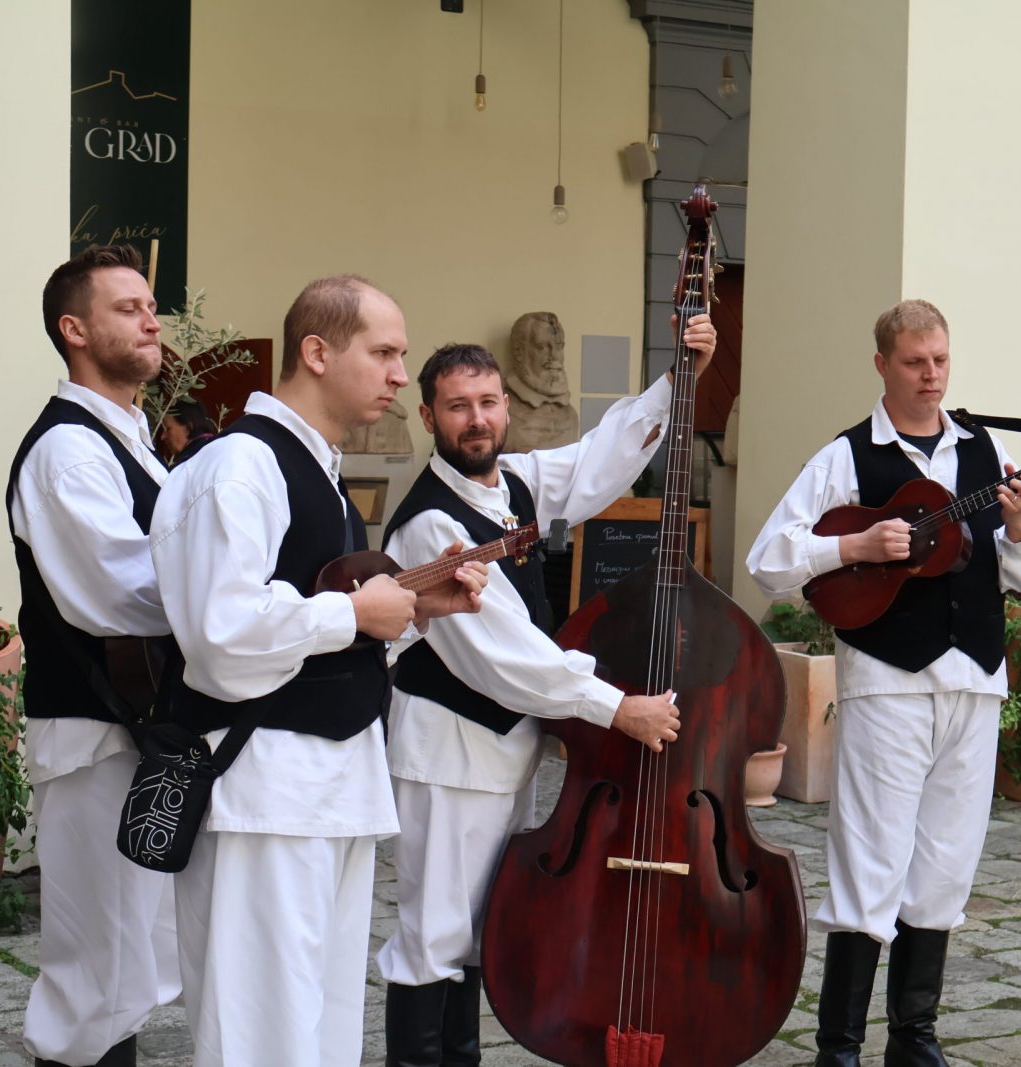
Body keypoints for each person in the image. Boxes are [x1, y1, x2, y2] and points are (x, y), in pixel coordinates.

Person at [148, 275, 489, 1067]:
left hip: (328, 789)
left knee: (324, 1035)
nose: (400, 375)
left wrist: (412, 610)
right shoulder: (241, 466)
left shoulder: (318, 471)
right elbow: (220, 632)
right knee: (261, 1038)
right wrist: (353, 613)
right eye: (384, 352)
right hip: (261, 789)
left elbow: (316, 627)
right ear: (316, 351)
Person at [375, 313, 716, 1066]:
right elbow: (506, 655)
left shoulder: (517, 483)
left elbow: (599, 458)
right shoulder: (431, 523)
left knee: (475, 933)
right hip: (447, 756)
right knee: (433, 937)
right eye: (458, 406)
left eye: (487, 402)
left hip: (504, 754)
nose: (477, 419)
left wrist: (678, 379)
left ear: (506, 406)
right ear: (428, 417)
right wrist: (615, 707)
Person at [747, 299, 1021, 1067]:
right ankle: (840, 1045)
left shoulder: (983, 450)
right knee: (871, 854)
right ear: (882, 364)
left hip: (974, 679)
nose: (931, 375)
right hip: (887, 679)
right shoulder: (847, 456)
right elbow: (769, 559)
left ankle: (914, 1037)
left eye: (941, 360)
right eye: (916, 361)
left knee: (948, 859)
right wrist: (854, 545)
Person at [7, 243, 180, 1067]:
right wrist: (241, 604)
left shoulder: (130, 439)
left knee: (130, 962)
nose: (151, 321)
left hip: (130, 734)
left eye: (151, 306)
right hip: (92, 738)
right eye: (127, 308)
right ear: (73, 330)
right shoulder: (67, 449)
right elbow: (120, 590)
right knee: (94, 975)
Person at [502, 310, 578, 451]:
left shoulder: (571, 415)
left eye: (559, 347)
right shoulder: (503, 411)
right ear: (519, 352)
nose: (554, 356)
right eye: (542, 347)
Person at [160, 397, 217, 467]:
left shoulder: (192, 462)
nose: (162, 437)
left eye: (168, 429)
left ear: (188, 427)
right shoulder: (214, 450)